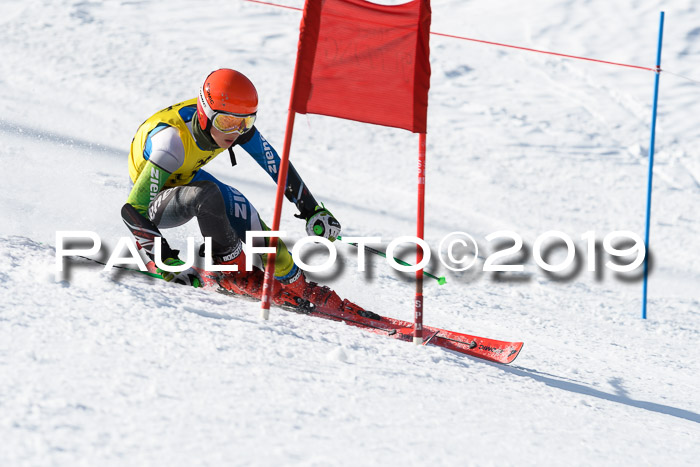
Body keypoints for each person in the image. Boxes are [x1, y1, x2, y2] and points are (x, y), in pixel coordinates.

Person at [121, 68, 376, 317]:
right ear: (205, 113)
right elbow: (133, 209)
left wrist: (310, 209)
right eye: (226, 122)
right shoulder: (172, 141)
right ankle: (230, 271)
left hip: (187, 177)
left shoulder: (234, 122)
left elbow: (275, 164)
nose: (236, 131)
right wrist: (163, 258)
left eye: (246, 122)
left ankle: (297, 284)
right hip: (155, 199)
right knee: (207, 194)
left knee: (242, 207)